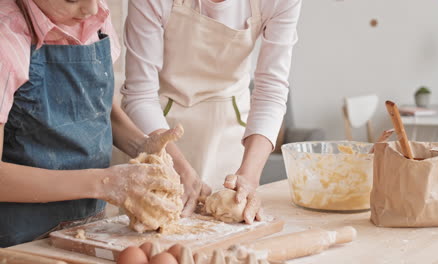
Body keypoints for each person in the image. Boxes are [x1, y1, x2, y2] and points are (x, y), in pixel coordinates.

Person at [0, 0, 191, 247]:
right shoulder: (6, 38)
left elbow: (97, 107)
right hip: (18, 242)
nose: (91, 9)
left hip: (86, 229)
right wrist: (106, 183)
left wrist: (142, 145)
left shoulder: (96, 17)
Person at [122, 0, 302, 224]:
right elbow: (140, 95)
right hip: (161, 130)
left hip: (230, 134)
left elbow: (271, 91)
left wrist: (250, 174)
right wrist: (175, 164)